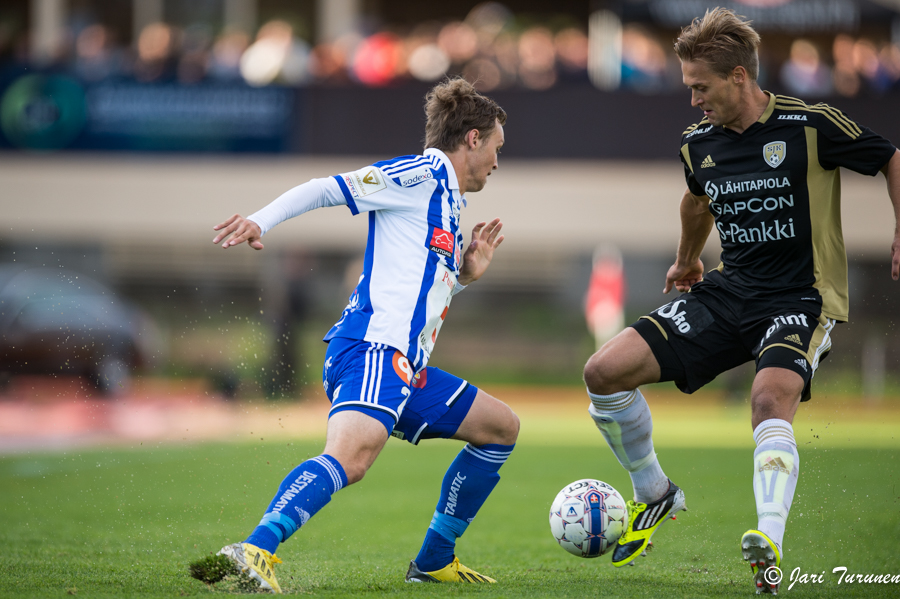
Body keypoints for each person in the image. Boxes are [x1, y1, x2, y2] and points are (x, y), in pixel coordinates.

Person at [582, 8, 899, 595]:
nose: (693, 100)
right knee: (603, 371)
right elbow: (697, 201)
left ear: (738, 77)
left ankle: (769, 542)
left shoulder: (810, 123)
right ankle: (654, 491)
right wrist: (686, 260)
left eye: (700, 87)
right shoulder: (697, 143)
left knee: (767, 398)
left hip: (801, 296)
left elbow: (890, 158)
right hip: (728, 291)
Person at [203, 77, 518, 592]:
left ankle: (434, 559)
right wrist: (261, 221)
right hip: (374, 350)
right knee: (352, 457)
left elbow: (418, 291)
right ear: (473, 139)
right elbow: (328, 187)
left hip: (402, 364)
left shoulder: (451, 204)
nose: (498, 163)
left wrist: (463, 278)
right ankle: (253, 550)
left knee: (500, 429)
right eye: (498, 148)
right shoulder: (420, 174)